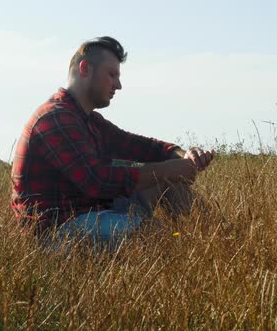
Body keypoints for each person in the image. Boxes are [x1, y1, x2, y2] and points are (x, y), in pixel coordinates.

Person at [11, 36, 214, 246]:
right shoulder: (55, 118)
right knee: (152, 234)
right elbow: (98, 182)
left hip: (90, 212)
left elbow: (140, 146)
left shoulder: (88, 120)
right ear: (85, 69)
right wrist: (168, 169)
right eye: (112, 75)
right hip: (54, 231)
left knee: (169, 184)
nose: (118, 85)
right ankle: (191, 254)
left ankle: (221, 242)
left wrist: (184, 156)